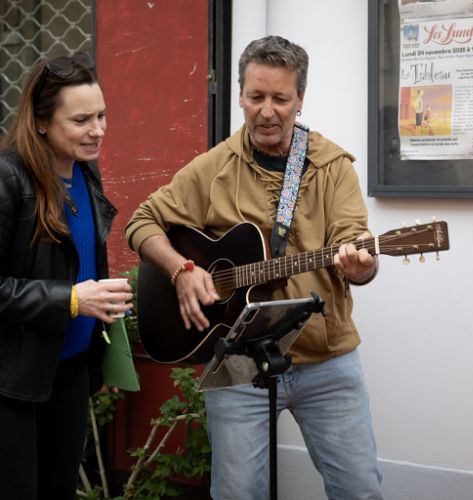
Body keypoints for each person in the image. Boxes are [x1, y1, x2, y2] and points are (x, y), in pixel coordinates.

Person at [126, 35, 383, 500]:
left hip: (326, 359)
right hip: (239, 358)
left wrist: (360, 266)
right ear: (240, 96)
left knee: (360, 490)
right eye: (256, 96)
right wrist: (182, 269)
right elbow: (142, 222)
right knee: (237, 493)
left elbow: (356, 248)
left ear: (300, 99)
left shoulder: (333, 167)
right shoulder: (214, 167)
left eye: (280, 99)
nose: (267, 111)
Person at [0, 52, 133, 498]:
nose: (97, 130)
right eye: (80, 120)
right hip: (12, 383)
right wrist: (73, 300)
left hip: (71, 372)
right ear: (41, 122)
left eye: (101, 115)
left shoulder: (85, 172)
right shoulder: (8, 179)